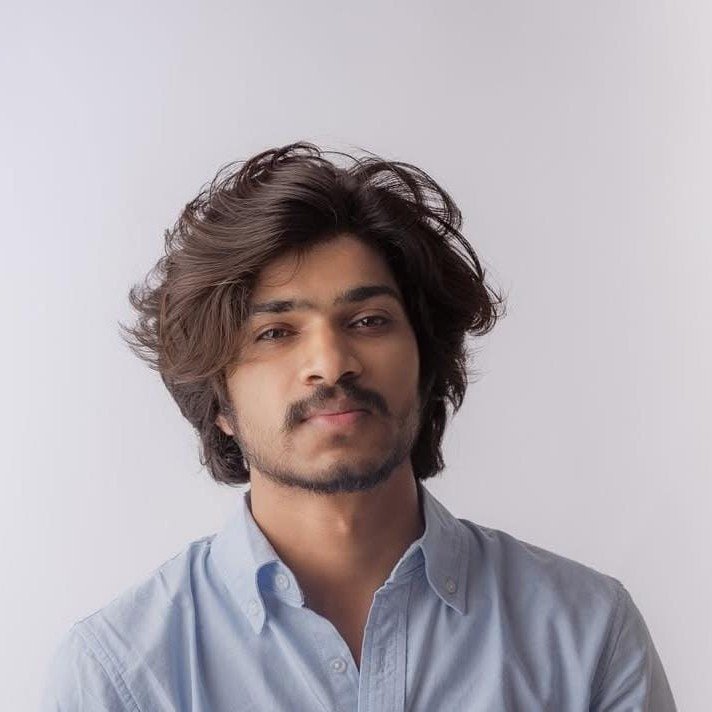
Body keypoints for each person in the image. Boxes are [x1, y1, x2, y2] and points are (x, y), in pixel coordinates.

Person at [40, 142, 677, 711]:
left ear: (426, 364)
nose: (331, 362)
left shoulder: (587, 633)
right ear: (219, 402)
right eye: (275, 333)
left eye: (369, 321)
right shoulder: (121, 674)